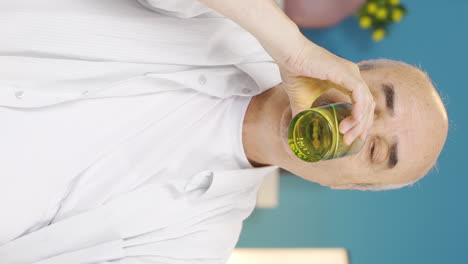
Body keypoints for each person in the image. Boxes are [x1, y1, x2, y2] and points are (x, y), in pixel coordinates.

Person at [0, 0, 447, 263]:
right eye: (377, 102)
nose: (355, 122)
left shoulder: (196, 244)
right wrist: (289, 48)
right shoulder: (242, 19)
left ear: (344, 184)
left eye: (375, 150)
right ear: (350, 69)